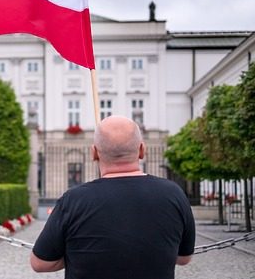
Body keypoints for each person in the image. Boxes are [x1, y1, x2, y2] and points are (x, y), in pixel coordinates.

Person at [30, 115, 195, 279]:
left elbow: (40, 263)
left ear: (94, 153)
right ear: (142, 150)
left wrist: (76, 252)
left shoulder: (74, 200)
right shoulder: (174, 194)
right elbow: (184, 257)